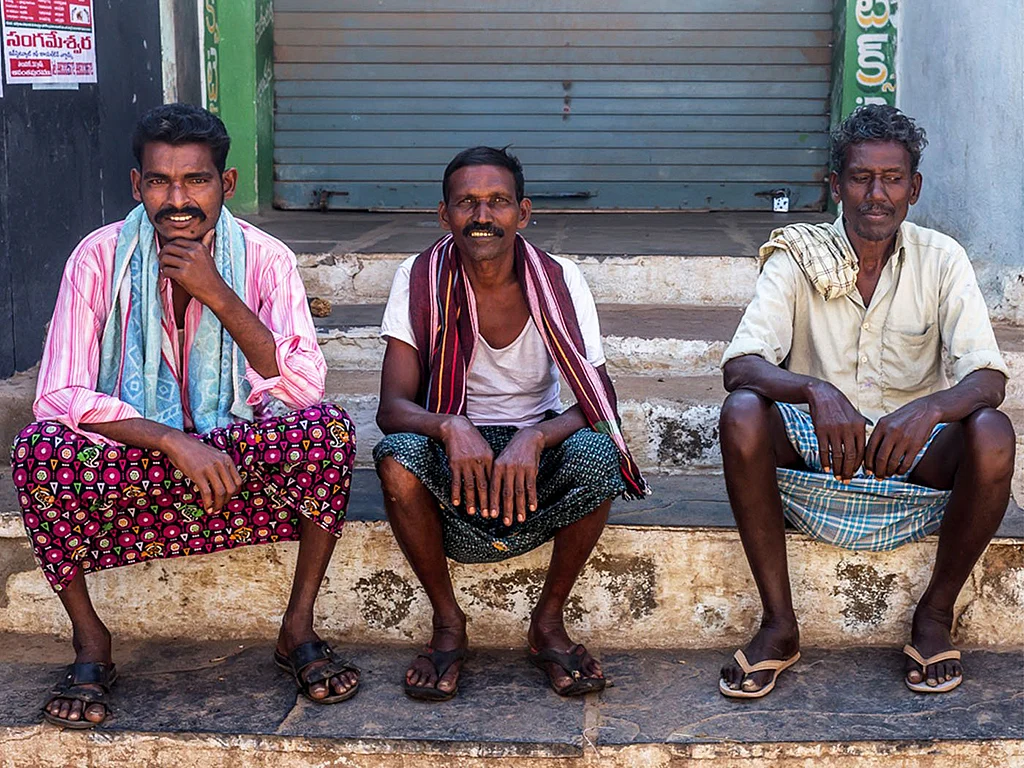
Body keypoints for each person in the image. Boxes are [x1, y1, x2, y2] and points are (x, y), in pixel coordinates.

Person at [10, 104, 360, 728]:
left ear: (224, 185)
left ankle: (296, 628)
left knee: (328, 433)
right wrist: (172, 439)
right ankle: (92, 644)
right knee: (39, 451)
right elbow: (57, 394)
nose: (177, 200)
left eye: (195, 180)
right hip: (139, 451)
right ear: (136, 184)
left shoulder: (266, 259)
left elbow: (303, 387)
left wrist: (215, 290)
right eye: (159, 181)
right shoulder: (97, 258)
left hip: (232, 445)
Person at [717, 105, 1014, 699]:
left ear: (914, 187)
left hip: (913, 458)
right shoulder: (798, 255)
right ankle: (779, 625)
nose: (876, 195)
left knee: (993, 432)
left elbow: (989, 377)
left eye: (893, 178)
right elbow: (740, 365)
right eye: (860, 178)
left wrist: (930, 409)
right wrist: (814, 389)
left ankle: (933, 615)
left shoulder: (942, 258)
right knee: (743, 412)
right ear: (836, 185)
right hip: (820, 457)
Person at [372, 147, 648, 701]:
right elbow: (392, 408)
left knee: (600, 456)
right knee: (398, 460)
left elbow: (600, 397)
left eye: (497, 201)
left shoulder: (560, 278)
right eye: (466, 203)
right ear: (444, 215)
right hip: (455, 450)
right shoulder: (420, 277)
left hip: (532, 446)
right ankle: (449, 623)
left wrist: (536, 435)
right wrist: (450, 426)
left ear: (522, 213)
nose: (482, 215)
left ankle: (547, 623)